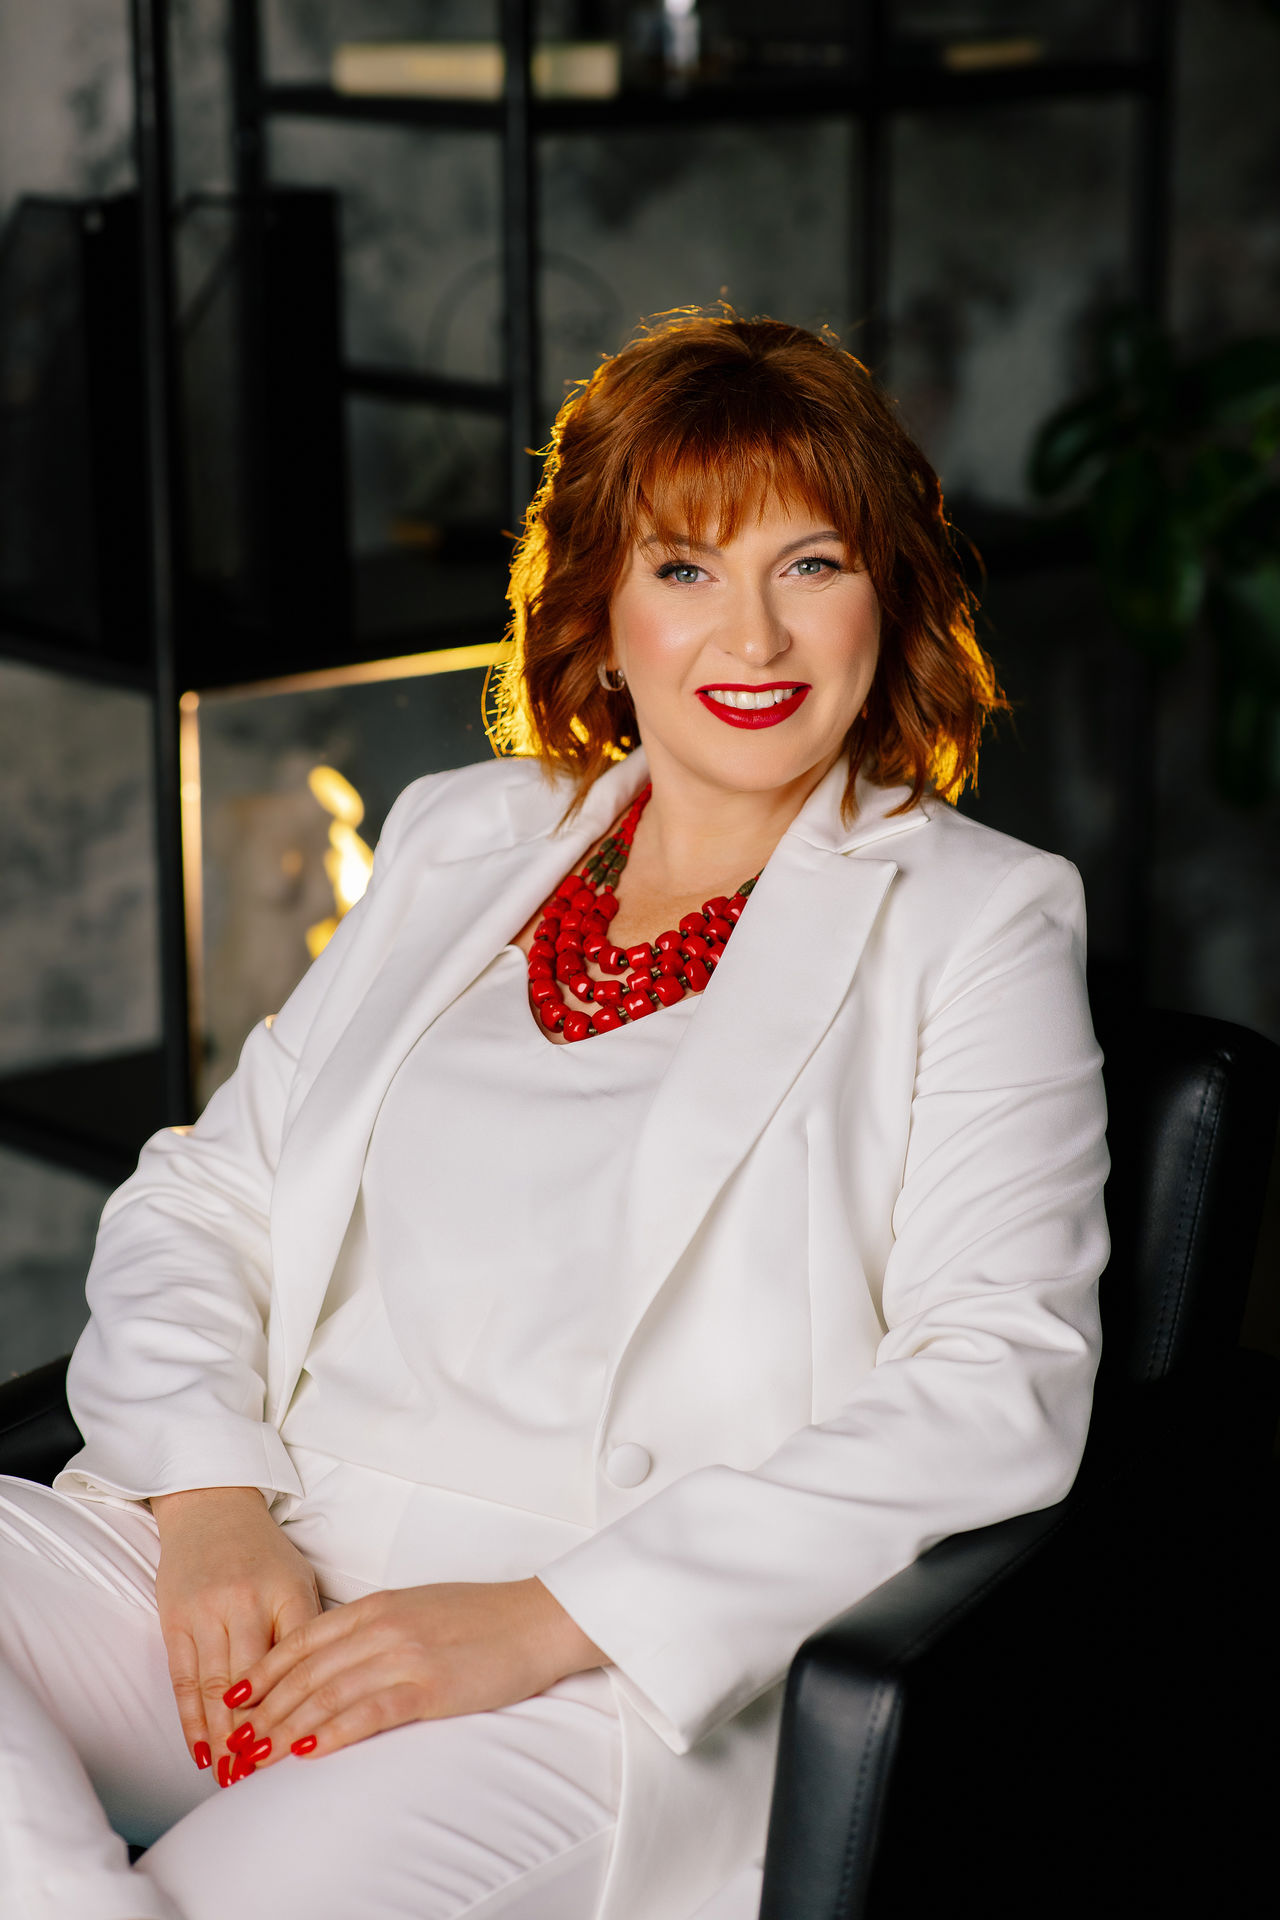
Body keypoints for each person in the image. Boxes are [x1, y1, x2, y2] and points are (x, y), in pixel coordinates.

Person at [0, 310, 1109, 1920]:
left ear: (889, 594)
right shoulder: (461, 837)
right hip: (273, 1541)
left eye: (810, 564)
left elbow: (994, 1380)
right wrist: (209, 1501)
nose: (754, 636)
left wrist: (537, 1618)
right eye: (685, 568)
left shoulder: (980, 920)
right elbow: (207, 1196)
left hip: (587, 1657)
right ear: (598, 607)